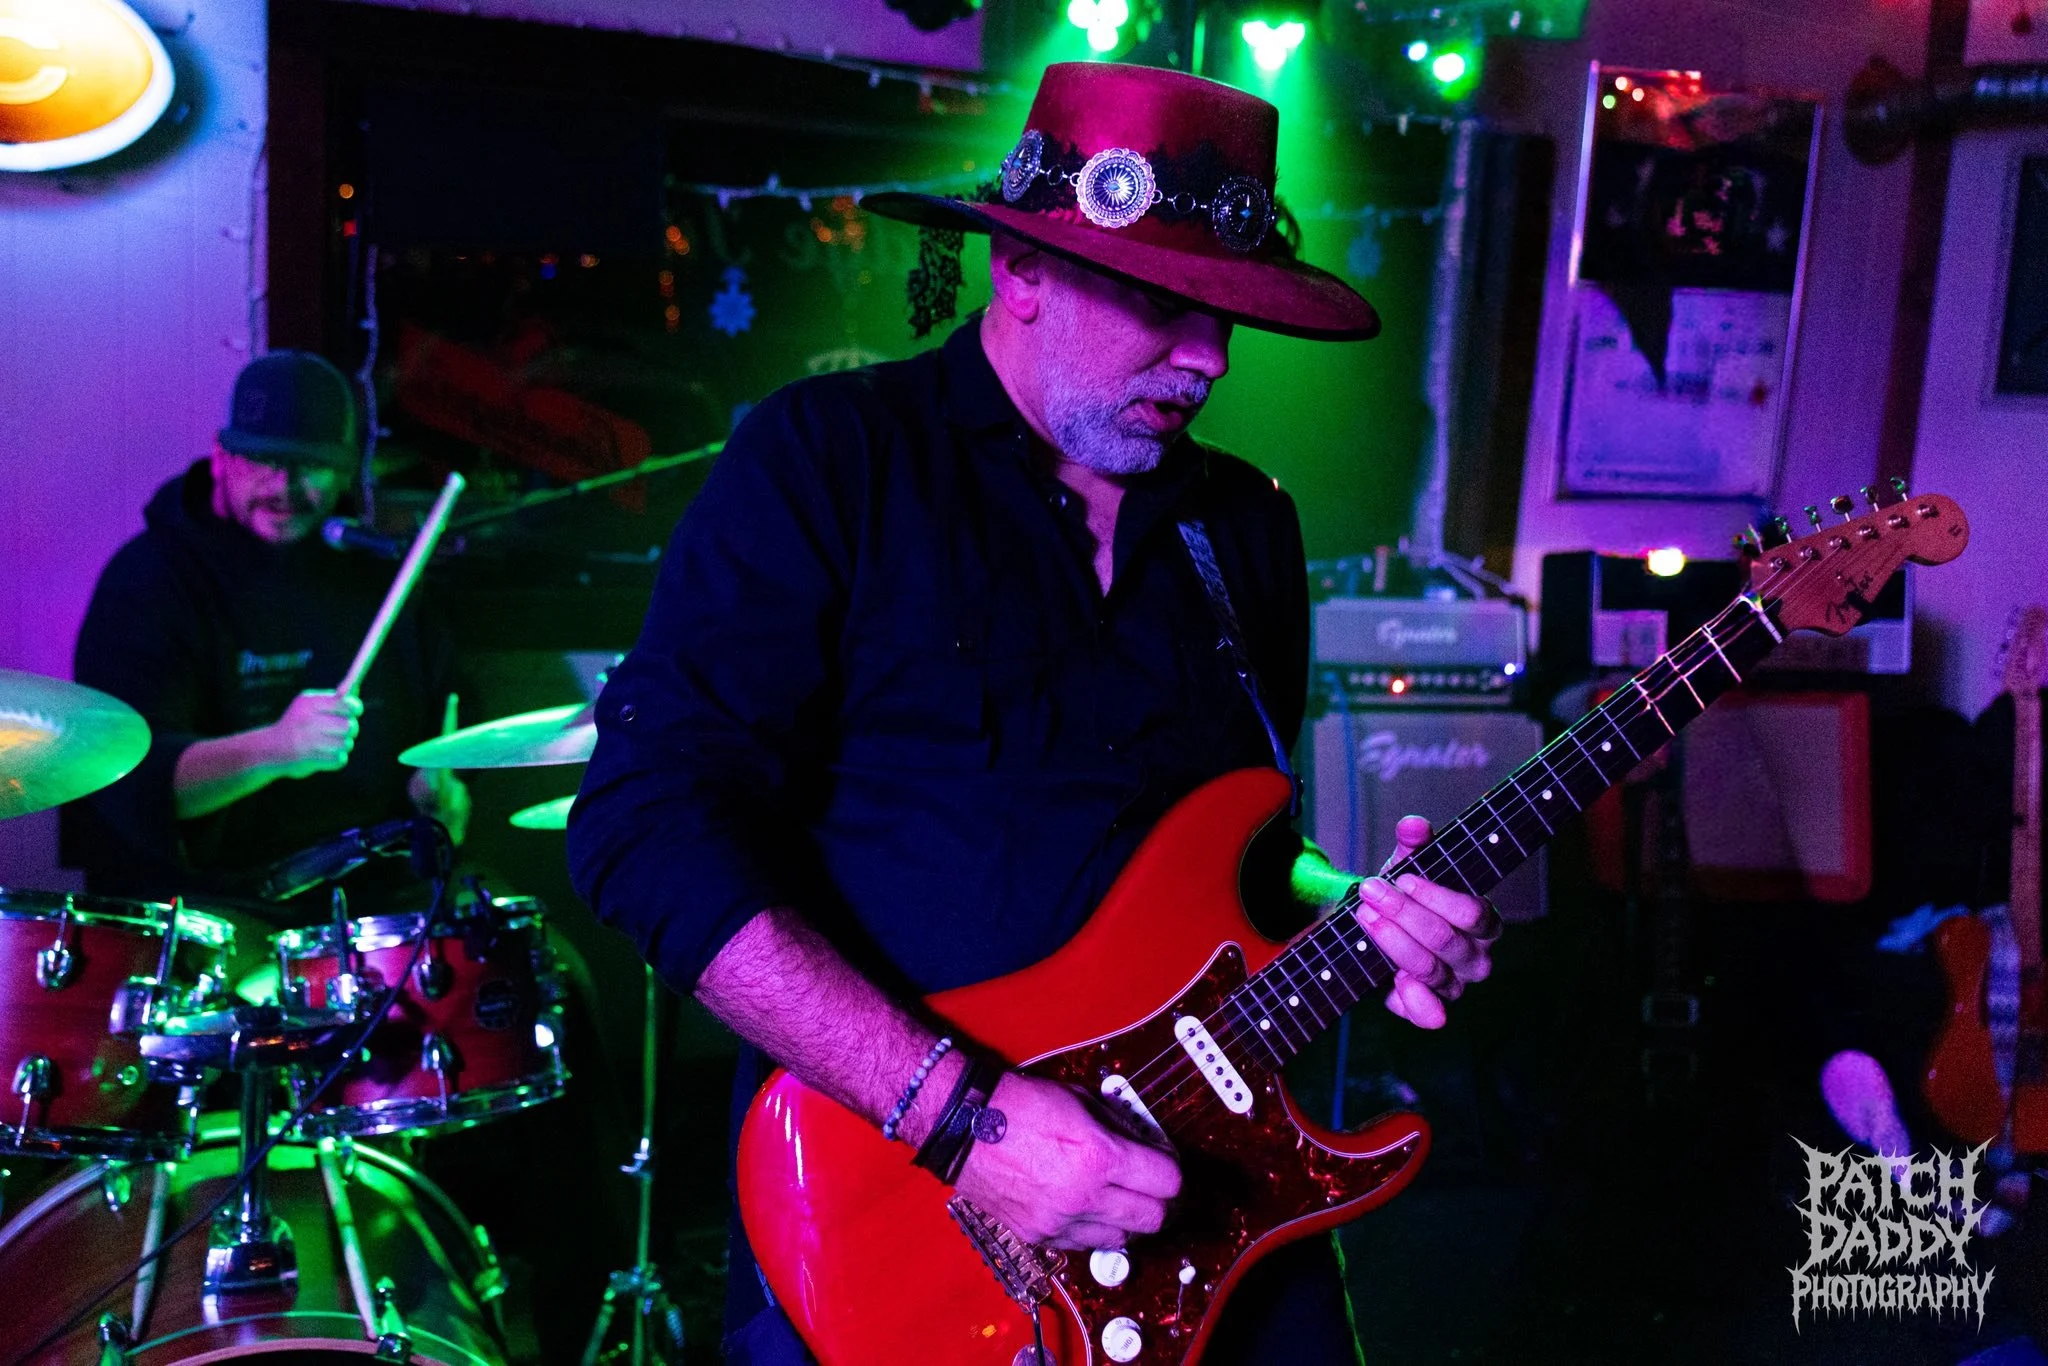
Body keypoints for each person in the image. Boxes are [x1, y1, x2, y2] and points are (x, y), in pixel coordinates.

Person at [568, 63, 1502, 1364]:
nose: (1207, 360)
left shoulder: (1245, 525)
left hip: (1214, 1207)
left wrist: (1353, 906)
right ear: (1022, 270)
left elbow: (1242, 851)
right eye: (1164, 305)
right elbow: (639, 827)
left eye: (1229, 318)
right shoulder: (832, 459)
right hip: (903, 1210)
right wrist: (966, 1121)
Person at [63, 349, 470, 905]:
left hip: (371, 895)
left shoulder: (376, 575)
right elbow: (137, 781)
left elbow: (448, 726)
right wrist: (276, 747)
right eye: (263, 461)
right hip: (210, 905)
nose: (285, 486)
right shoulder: (150, 582)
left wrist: (439, 793)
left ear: (345, 472)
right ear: (221, 456)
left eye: (311, 466)